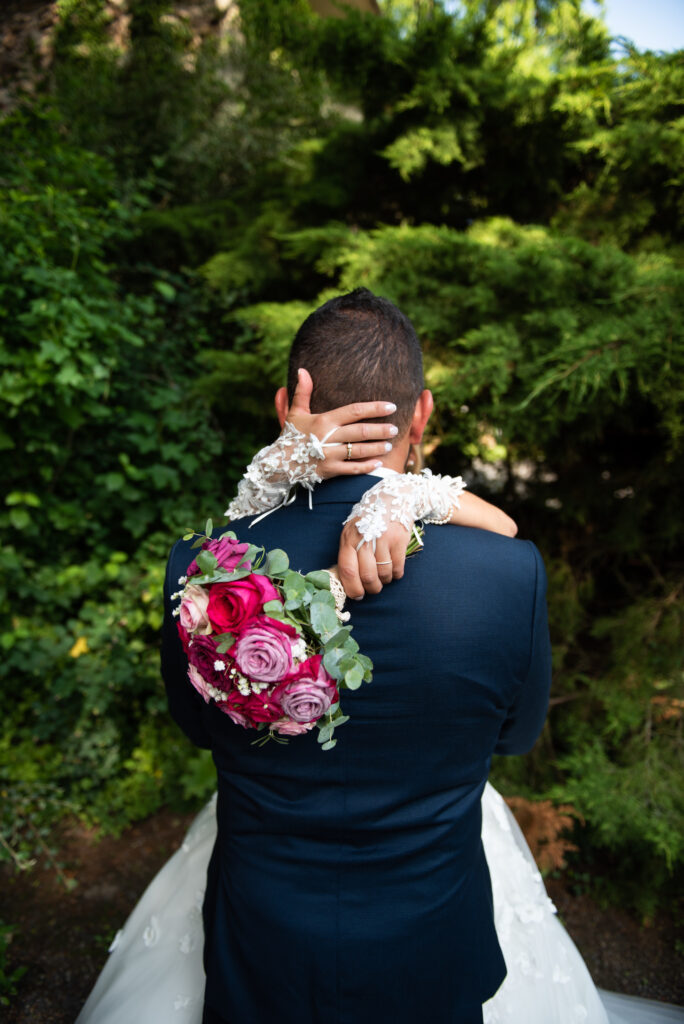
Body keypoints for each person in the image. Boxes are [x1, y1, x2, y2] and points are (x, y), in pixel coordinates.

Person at [75, 289, 684, 1024]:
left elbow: (199, 726)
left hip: (262, 937)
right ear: (421, 413)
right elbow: (516, 736)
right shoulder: (509, 572)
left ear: (284, 407)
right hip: (432, 935)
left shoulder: (204, 574)